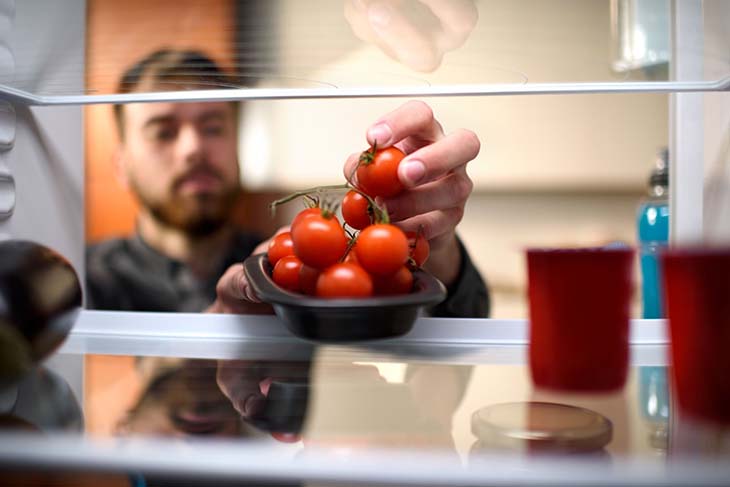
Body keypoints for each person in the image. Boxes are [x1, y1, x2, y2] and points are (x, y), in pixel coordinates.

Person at [86, 48, 489, 318]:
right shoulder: (85, 280)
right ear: (121, 166)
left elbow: (469, 320)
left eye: (213, 127)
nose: (193, 149)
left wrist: (431, 247)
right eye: (163, 131)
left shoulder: (290, 266)